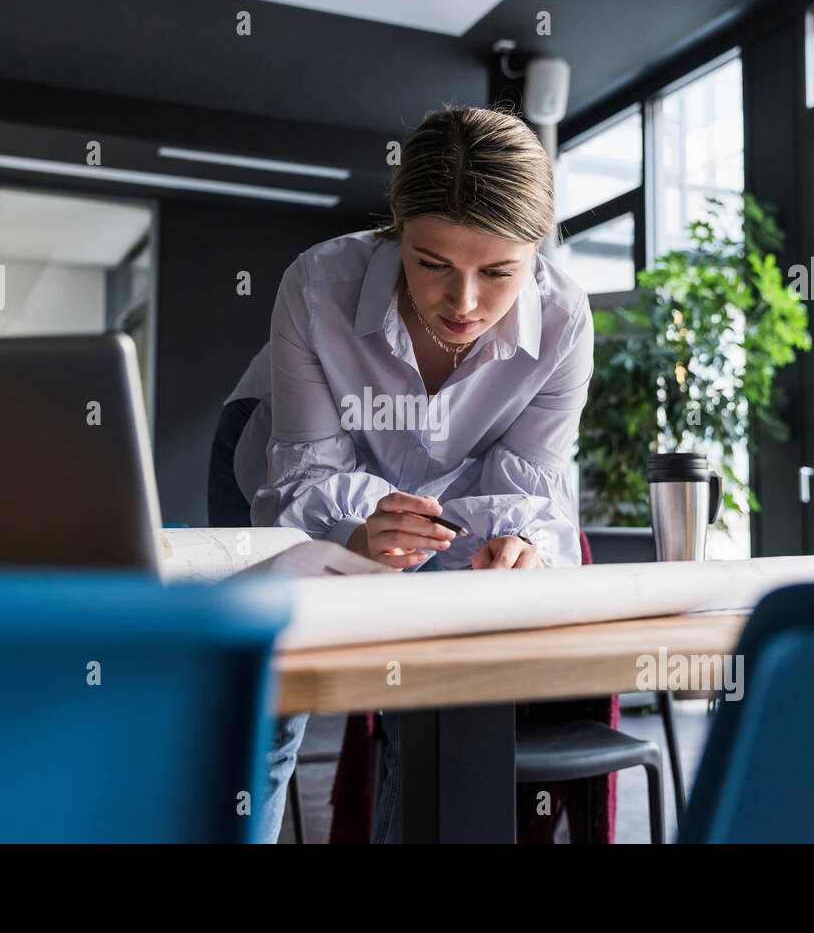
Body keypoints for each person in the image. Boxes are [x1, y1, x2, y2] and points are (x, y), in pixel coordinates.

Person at [208, 105, 593, 843]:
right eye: (433, 263)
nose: (464, 303)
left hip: (454, 490)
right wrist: (357, 529)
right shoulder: (317, 284)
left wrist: (521, 543)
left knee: (434, 687)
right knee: (267, 698)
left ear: (536, 254)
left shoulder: (566, 321)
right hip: (280, 470)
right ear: (396, 229)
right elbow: (306, 473)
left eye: (500, 271)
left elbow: (533, 486)